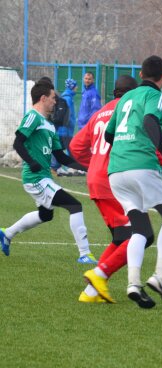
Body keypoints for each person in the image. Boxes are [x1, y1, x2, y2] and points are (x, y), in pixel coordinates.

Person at [105, 56, 162, 309]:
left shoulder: (125, 98)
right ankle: (160, 277)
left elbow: (109, 134)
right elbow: (150, 121)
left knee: (140, 228)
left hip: (116, 171)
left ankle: (133, 284)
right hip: (140, 165)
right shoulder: (155, 95)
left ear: (140, 74)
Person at [0, 80, 96, 264]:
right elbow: (18, 142)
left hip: (43, 177)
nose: (55, 102)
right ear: (43, 98)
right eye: (53, 98)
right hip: (35, 177)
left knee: (46, 214)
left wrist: (89, 167)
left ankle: (7, 233)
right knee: (74, 206)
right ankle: (85, 253)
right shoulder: (33, 117)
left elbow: (61, 158)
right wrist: (31, 162)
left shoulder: (50, 126)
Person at [69, 75, 139, 304]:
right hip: (114, 180)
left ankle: (91, 291)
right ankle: (97, 279)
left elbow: (75, 147)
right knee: (139, 235)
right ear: (131, 94)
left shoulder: (99, 113)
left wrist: (95, 163)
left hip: (97, 178)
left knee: (121, 236)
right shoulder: (128, 110)